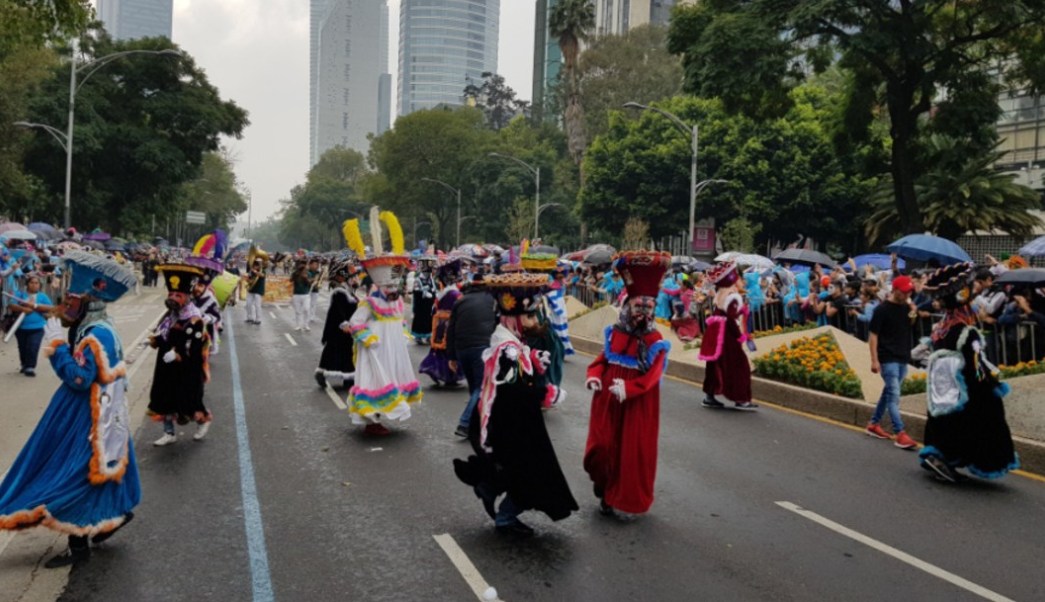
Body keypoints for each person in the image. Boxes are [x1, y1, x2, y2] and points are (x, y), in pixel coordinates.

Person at [0, 251, 140, 568]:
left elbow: (79, 378)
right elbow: (60, 313)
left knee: (74, 474)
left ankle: (79, 548)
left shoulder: (97, 334)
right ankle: (115, 517)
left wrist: (58, 348)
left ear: (88, 303)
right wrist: (41, 309)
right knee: (100, 471)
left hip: (88, 415)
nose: (67, 306)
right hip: (100, 409)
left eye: (73, 301)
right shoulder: (98, 324)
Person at [452, 272, 578, 536]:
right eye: (529, 317)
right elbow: (513, 390)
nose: (533, 322)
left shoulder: (510, 341)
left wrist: (532, 358)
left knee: (521, 469)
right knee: (532, 474)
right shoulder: (506, 349)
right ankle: (506, 517)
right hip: (511, 424)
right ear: (513, 317)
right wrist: (544, 393)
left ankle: (490, 488)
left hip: (515, 422)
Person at [583, 251, 672, 518]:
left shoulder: (656, 341)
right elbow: (601, 361)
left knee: (630, 453)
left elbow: (652, 377)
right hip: (608, 401)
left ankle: (617, 498)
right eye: (638, 306)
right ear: (627, 306)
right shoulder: (615, 332)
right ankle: (603, 484)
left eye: (648, 308)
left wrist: (630, 390)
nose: (642, 313)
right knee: (601, 448)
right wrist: (594, 376)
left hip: (637, 406)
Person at [919, 263, 1019, 483]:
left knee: (943, 419)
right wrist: (990, 382)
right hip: (967, 386)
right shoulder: (966, 331)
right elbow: (976, 366)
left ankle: (939, 455)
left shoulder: (942, 326)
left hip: (944, 387)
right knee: (983, 419)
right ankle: (950, 458)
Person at [343, 210, 422, 435]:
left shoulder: (397, 303)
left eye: (395, 288)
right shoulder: (370, 303)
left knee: (393, 381)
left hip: (394, 351)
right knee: (375, 383)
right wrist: (370, 339)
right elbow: (355, 323)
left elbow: (400, 322)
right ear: (381, 286)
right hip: (375, 352)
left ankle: (381, 418)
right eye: (390, 288)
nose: (394, 291)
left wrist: (404, 334)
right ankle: (372, 423)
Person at [148, 263, 213, 446]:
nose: (173, 298)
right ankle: (169, 433)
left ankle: (203, 420)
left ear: (186, 296)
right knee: (164, 397)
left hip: (186, 369)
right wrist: (156, 340)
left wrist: (177, 355)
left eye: (177, 295)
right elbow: (164, 334)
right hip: (166, 365)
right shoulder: (171, 315)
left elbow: (193, 348)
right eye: (171, 294)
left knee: (188, 401)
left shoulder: (194, 319)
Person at [865, 275, 919, 449]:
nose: (906, 295)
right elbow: (873, 336)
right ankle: (900, 432)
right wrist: (874, 360)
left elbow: (911, 324)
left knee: (888, 392)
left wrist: (913, 311)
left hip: (902, 356)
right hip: (887, 358)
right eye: (904, 292)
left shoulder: (906, 308)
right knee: (894, 396)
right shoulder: (881, 310)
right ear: (895, 290)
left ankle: (874, 423)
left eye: (909, 292)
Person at [699, 261, 757, 410]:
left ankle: (710, 395)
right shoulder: (732, 295)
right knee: (739, 365)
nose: (741, 281)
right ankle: (741, 398)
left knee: (714, 365)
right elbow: (731, 318)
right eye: (738, 277)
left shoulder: (722, 292)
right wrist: (740, 335)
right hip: (727, 334)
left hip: (716, 331)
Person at [447, 274, 498, 438]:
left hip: (462, 349)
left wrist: (451, 357)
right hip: (482, 348)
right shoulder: (492, 301)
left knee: (474, 388)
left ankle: (475, 424)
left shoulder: (460, 301)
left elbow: (451, 329)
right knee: (481, 387)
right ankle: (465, 423)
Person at [419, 259, 464, 386]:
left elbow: (434, 309)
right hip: (450, 324)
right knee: (450, 351)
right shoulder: (455, 294)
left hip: (440, 324)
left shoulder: (442, 294)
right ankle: (450, 376)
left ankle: (440, 373)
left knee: (439, 350)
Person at [315, 260, 359, 389]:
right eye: (347, 275)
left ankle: (347, 378)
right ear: (340, 275)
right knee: (335, 351)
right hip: (339, 328)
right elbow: (338, 310)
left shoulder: (345, 288)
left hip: (346, 327)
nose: (351, 277)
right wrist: (344, 323)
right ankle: (324, 374)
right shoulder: (339, 291)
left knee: (344, 352)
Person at [11, 274, 54, 376]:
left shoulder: (42, 296)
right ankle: (24, 364)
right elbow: (11, 305)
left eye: (36, 283)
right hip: (21, 327)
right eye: (32, 283)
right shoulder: (20, 294)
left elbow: (50, 308)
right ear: (27, 284)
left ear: (39, 285)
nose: (34, 285)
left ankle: (30, 367)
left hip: (38, 327)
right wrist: (23, 309)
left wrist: (34, 306)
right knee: (23, 347)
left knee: (33, 346)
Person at [410, 257, 438, 344]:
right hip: (420, 306)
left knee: (429, 320)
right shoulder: (417, 280)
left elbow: (434, 289)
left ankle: (428, 336)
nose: (428, 274)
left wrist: (433, 292)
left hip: (429, 305)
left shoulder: (432, 280)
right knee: (419, 320)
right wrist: (423, 292)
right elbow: (415, 291)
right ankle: (418, 337)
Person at [291, 258, 311, 332]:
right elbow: (291, 280)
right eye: (301, 264)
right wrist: (297, 274)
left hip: (306, 295)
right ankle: (298, 325)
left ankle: (306, 325)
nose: (302, 265)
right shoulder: (295, 273)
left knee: (306, 309)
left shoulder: (308, 273)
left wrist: (305, 278)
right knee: (297, 311)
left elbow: (309, 284)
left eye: (304, 264)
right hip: (296, 294)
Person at [245, 258, 265, 325]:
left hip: (258, 290)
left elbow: (262, 275)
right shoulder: (251, 271)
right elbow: (249, 280)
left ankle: (258, 319)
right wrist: (247, 278)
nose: (256, 266)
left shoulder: (263, 270)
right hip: (251, 289)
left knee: (257, 305)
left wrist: (255, 272)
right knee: (248, 304)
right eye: (255, 264)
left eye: (258, 264)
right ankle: (249, 318)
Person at [307, 257, 322, 324]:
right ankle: (306, 316)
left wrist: (319, 283)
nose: (316, 266)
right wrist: (313, 280)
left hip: (315, 290)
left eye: (317, 264)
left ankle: (312, 317)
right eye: (314, 264)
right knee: (307, 304)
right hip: (307, 289)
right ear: (310, 264)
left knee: (313, 304)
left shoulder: (318, 272)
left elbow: (320, 280)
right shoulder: (307, 271)